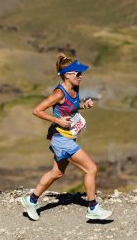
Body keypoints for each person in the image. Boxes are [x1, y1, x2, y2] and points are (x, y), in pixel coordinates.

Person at [19, 53, 112, 221]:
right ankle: (92, 208)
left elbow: (71, 107)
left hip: (67, 137)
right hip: (61, 139)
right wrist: (57, 120)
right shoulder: (58, 94)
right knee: (91, 169)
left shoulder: (74, 88)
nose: (81, 76)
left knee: (57, 173)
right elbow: (37, 110)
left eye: (81, 73)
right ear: (67, 75)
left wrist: (83, 105)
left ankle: (30, 200)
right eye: (78, 73)